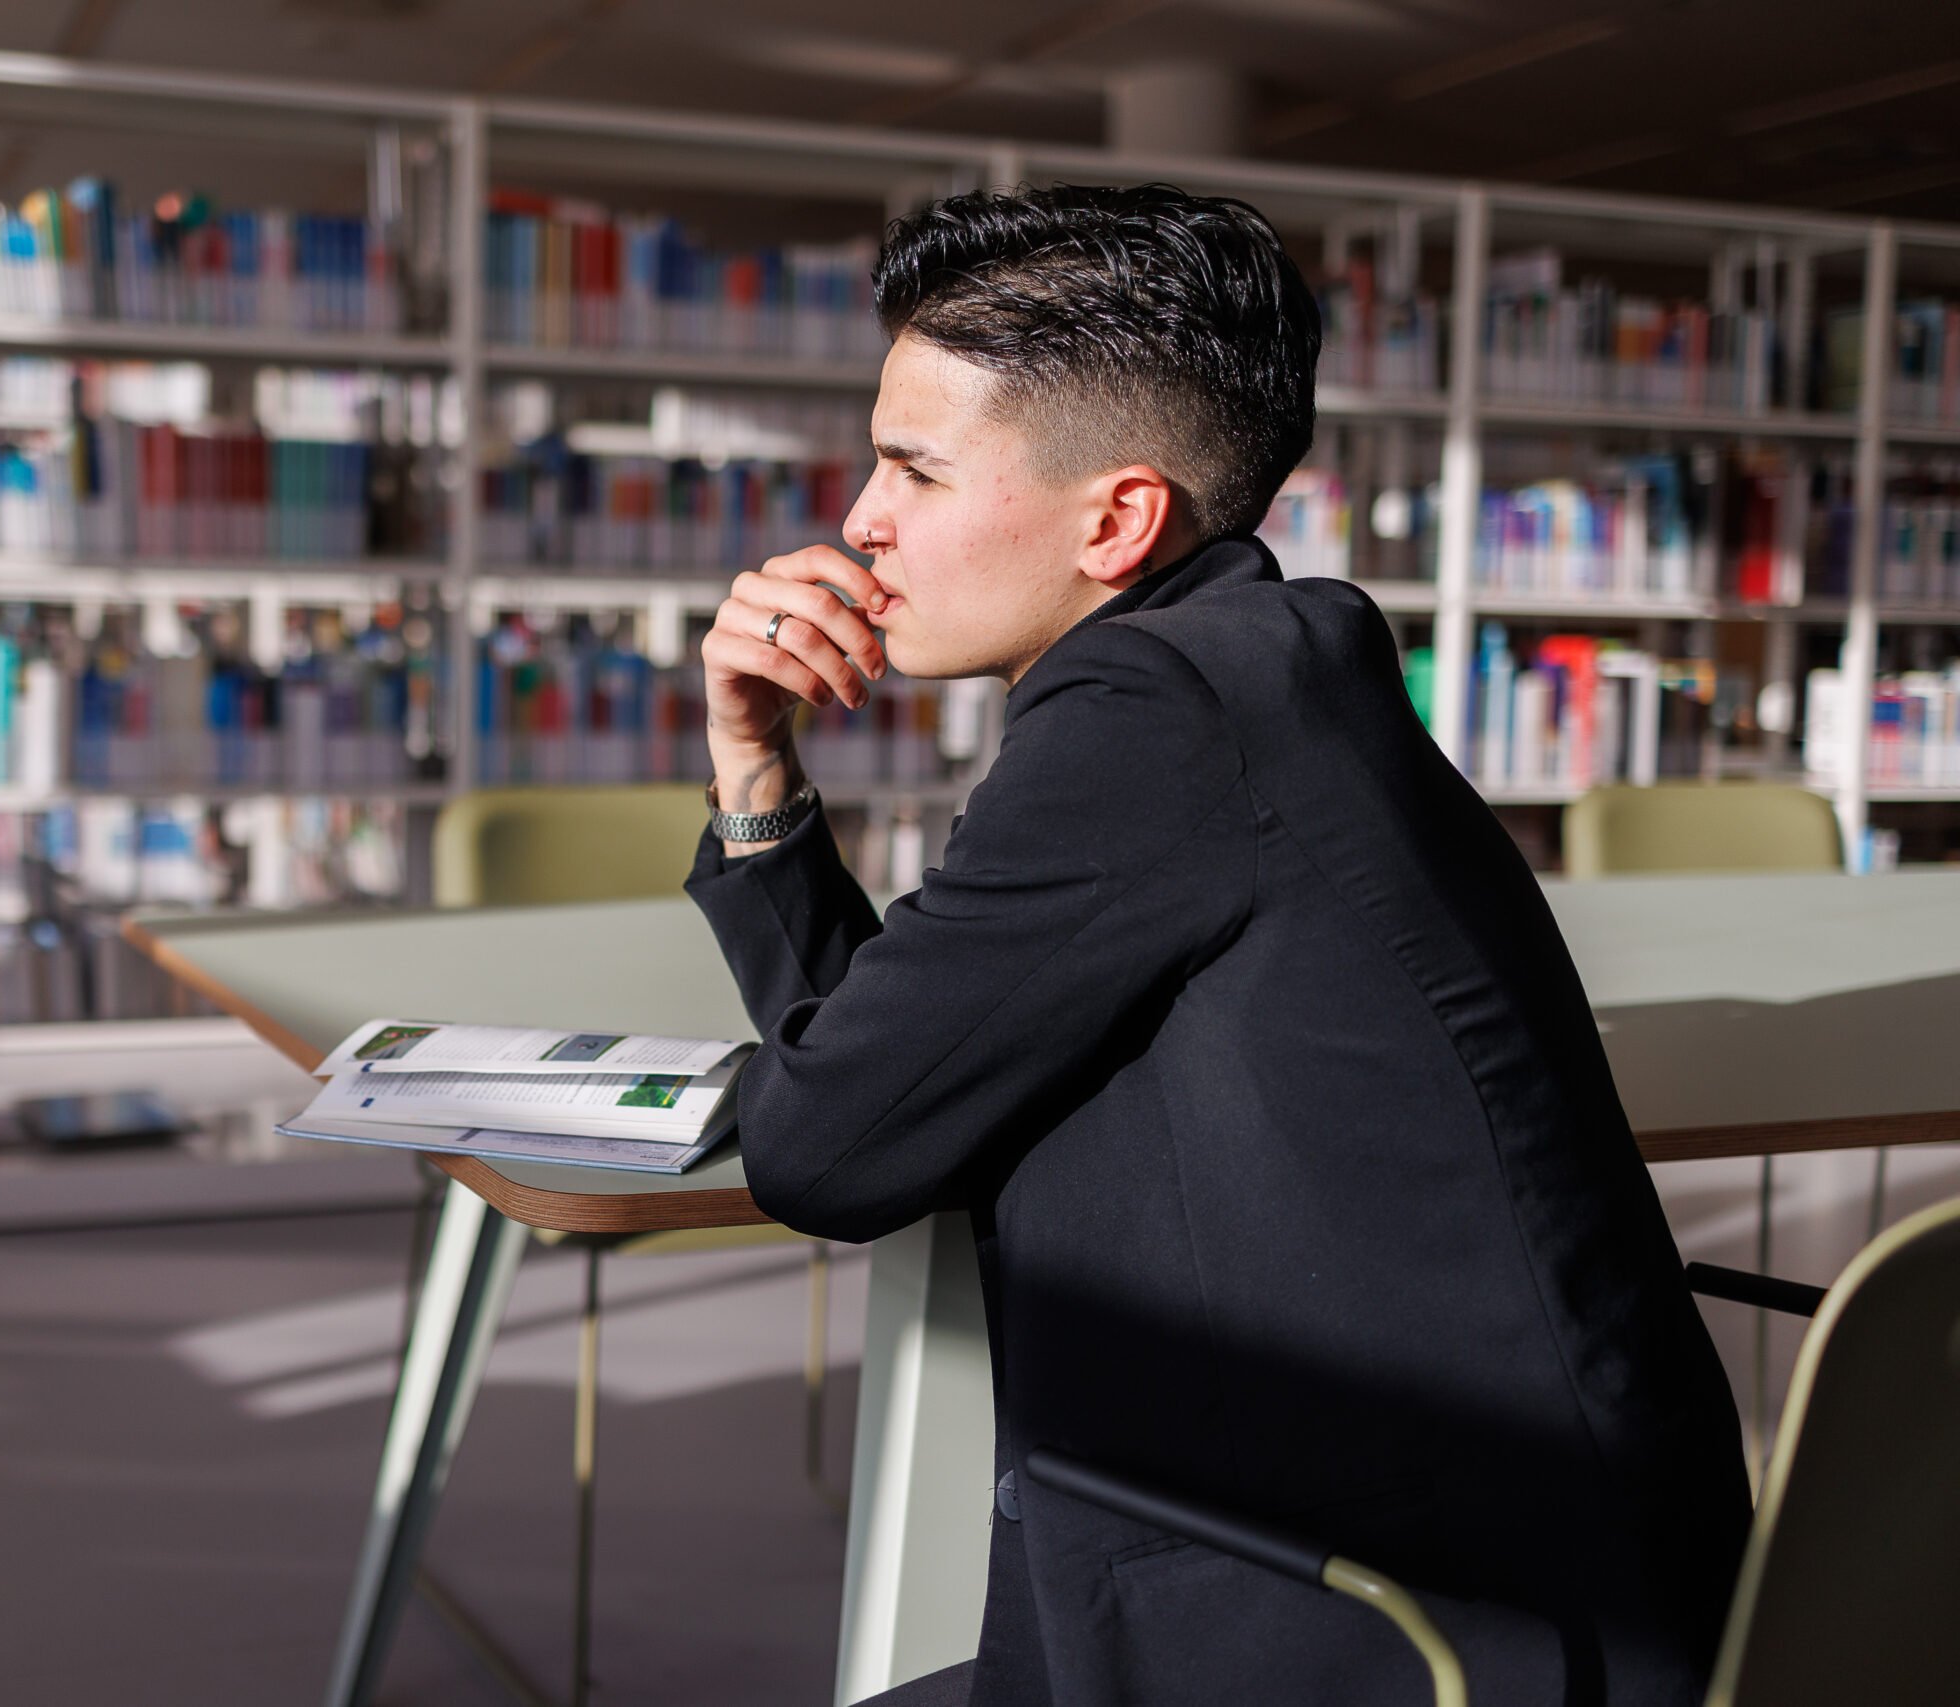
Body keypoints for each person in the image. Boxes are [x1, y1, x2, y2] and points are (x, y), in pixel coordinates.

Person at [683, 185, 1748, 1707]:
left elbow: (829, 1146)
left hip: (1395, 1631)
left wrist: (746, 772)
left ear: (1118, 518)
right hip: (1558, 1585)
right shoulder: (1278, 662)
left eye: (913, 467)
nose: (859, 518)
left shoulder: (1144, 721)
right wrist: (764, 775)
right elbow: (900, 1075)